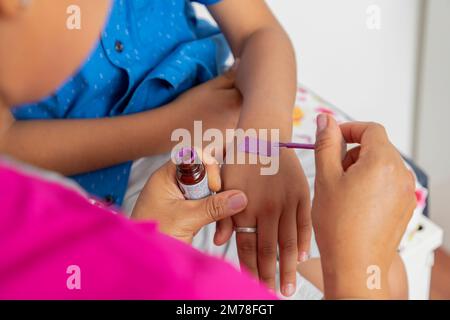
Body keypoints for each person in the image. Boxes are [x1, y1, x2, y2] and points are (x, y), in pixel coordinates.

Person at [0, 0, 416, 299]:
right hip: (129, 181)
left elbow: (260, 32)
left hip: (238, 129)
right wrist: (174, 127)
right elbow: (7, 141)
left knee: (387, 272)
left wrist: (261, 144)